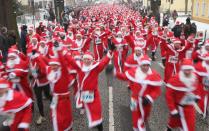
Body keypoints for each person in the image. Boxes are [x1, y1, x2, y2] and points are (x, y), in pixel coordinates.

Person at [116, 55, 162, 130]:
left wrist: (150, 98)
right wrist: (115, 73)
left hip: (146, 101)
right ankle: (136, 128)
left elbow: (157, 90)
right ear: (140, 65)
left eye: (147, 65)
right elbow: (124, 77)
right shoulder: (134, 72)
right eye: (144, 65)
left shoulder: (154, 75)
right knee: (135, 115)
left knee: (145, 116)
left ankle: (140, 124)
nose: (146, 67)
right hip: (134, 99)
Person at [165, 59, 200, 131]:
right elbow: (169, 96)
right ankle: (169, 127)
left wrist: (196, 96)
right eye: (185, 69)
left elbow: (197, 88)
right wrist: (173, 109)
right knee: (174, 120)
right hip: (178, 107)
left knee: (189, 127)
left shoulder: (194, 77)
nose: (187, 72)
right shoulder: (175, 79)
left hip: (190, 107)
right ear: (182, 69)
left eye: (189, 69)